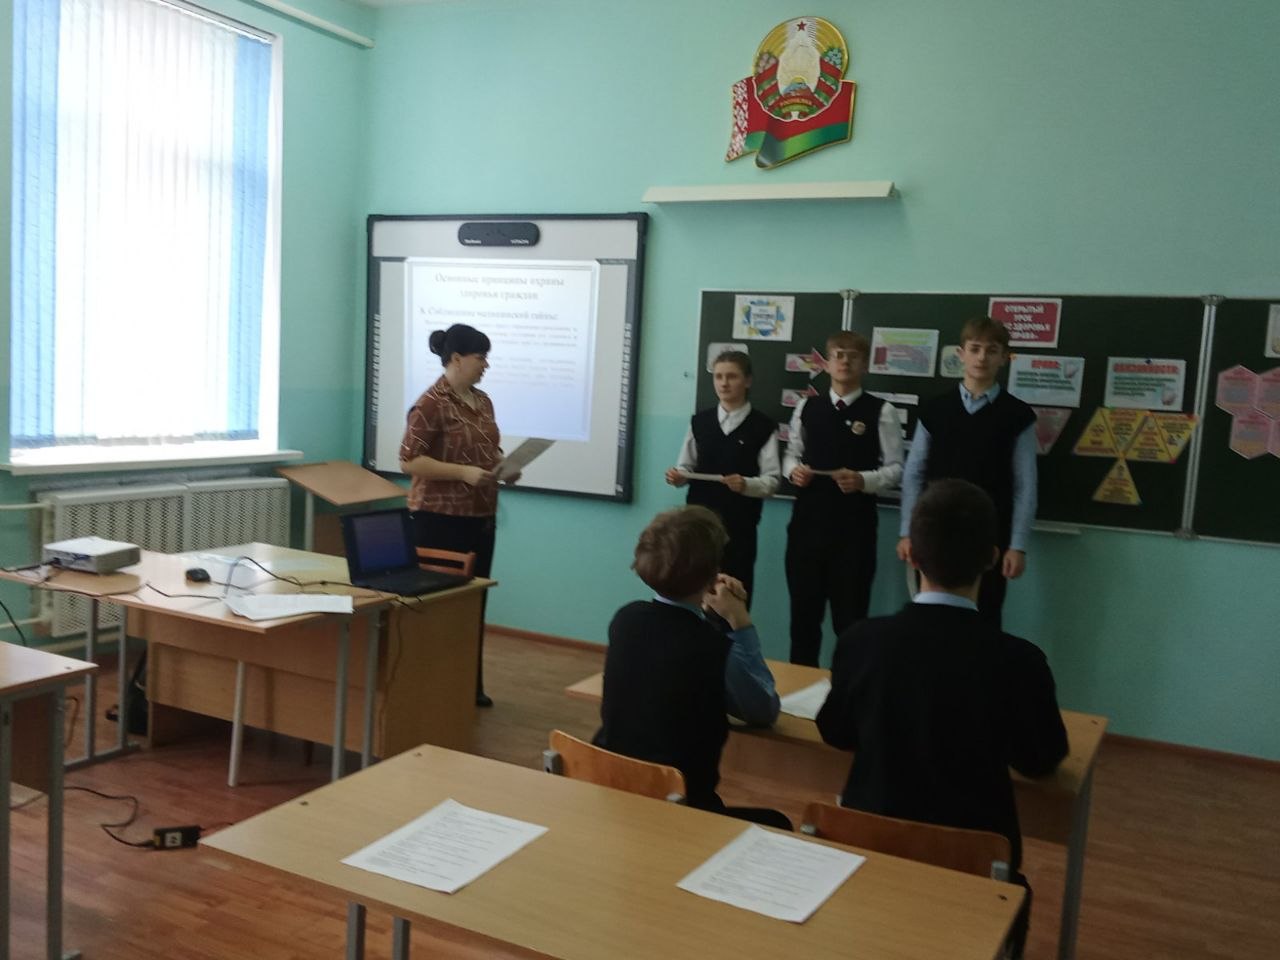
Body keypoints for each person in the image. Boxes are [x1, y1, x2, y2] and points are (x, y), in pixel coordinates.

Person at [816, 479, 1068, 958]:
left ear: (911, 555)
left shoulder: (861, 641)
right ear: (992, 558)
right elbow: (1040, 760)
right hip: (974, 869)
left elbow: (835, 731)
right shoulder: (1019, 661)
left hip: (869, 850)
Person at [593, 506, 791, 829]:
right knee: (778, 823)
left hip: (614, 790)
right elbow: (763, 709)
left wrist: (709, 610)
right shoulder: (713, 648)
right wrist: (739, 620)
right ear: (713, 572)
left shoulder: (626, 618)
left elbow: (674, 644)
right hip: (683, 809)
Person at [896, 316, 1037, 626]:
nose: (982, 357)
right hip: (933, 533)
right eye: (975, 349)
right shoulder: (935, 409)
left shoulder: (1018, 415)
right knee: (930, 622)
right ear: (961, 354)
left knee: (984, 623)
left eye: (992, 350)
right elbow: (914, 474)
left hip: (989, 539)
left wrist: (1017, 545)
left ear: (1004, 357)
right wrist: (908, 531)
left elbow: (1025, 485)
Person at [399, 323, 511, 707]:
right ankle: (433, 686)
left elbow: (489, 449)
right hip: (438, 520)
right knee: (440, 607)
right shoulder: (431, 403)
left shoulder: (483, 401)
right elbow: (409, 460)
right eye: (481, 358)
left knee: (473, 603)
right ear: (457, 359)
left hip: (480, 517)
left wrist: (504, 466)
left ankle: (468, 685)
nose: (486, 365)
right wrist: (462, 473)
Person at [782, 331, 904, 666]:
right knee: (803, 624)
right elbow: (790, 455)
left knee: (850, 624)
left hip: (854, 534)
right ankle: (799, 691)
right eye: (838, 355)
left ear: (865, 364)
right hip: (806, 531)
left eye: (853, 356)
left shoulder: (882, 411)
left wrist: (864, 480)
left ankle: (848, 691)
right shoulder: (807, 406)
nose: (845, 361)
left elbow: (896, 468)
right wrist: (794, 472)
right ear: (827, 363)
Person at [665, 350, 780, 604]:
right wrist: (679, 477)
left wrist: (746, 484)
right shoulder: (700, 422)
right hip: (699, 526)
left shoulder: (763, 426)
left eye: (732, 376)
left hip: (739, 528)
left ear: (747, 381)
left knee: (734, 594)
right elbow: (686, 466)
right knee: (694, 591)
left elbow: (772, 482)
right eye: (718, 376)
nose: (724, 383)